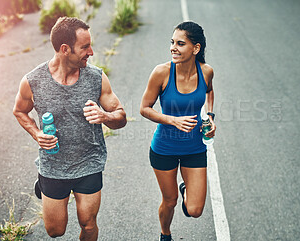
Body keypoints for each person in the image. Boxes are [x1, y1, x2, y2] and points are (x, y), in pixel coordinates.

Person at [13, 17, 126, 240]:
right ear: (65, 49)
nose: (91, 52)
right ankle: (43, 185)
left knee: (89, 224)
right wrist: (37, 134)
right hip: (53, 164)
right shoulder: (33, 81)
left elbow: (121, 116)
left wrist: (104, 116)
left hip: (89, 162)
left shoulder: (96, 77)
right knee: (55, 231)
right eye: (85, 47)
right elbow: (19, 111)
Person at [140, 21, 216, 241]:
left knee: (195, 210)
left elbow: (210, 92)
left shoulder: (206, 72)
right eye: (172, 42)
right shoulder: (161, 73)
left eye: (180, 43)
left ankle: (185, 189)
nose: (173, 47)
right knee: (170, 201)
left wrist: (210, 117)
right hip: (164, 148)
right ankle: (165, 234)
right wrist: (172, 120)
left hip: (194, 147)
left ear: (196, 48)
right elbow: (144, 108)